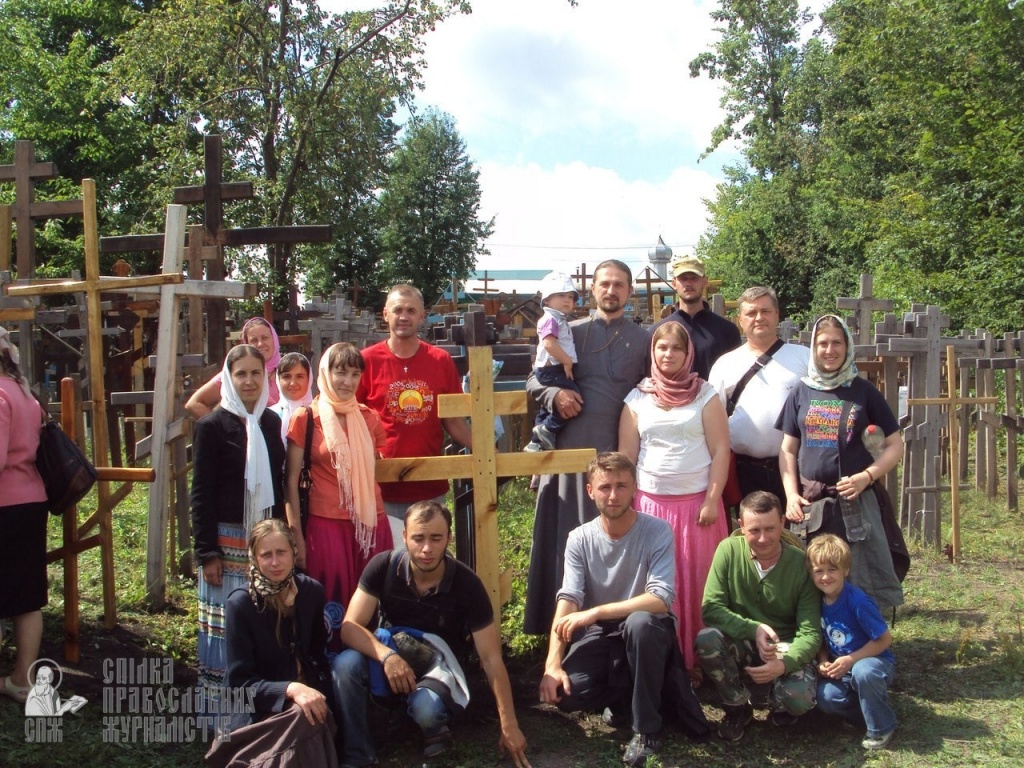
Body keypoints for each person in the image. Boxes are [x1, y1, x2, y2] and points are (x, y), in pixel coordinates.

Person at [539, 453, 710, 767]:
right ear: (590, 490)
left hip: (650, 632)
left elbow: (660, 598)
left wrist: (596, 611)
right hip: (604, 634)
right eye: (605, 487)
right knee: (568, 695)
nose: (613, 495)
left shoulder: (657, 531)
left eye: (621, 486)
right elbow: (569, 598)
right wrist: (553, 663)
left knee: (640, 623)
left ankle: (646, 730)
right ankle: (625, 700)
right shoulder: (579, 539)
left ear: (635, 488)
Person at [331, 501, 530, 767]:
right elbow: (349, 627)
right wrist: (387, 656)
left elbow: (491, 659)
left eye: (436, 538)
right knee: (345, 665)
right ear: (404, 537)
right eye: (418, 538)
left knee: (426, 709)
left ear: (449, 537)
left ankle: (432, 727)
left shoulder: (468, 585)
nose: (427, 549)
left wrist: (510, 726)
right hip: (391, 658)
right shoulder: (383, 566)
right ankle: (358, 755)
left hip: (440, 668)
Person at [524, 259, 650, 635]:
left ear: (629, 292)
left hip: (617, 457)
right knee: (564, 539)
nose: (611, 291)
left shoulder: (644, 340)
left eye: (619, 285)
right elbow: (534, 381)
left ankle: (609, 628)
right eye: (604, 284)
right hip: (569, 454)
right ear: (592, 289)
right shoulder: (567, 331)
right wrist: (555, 393)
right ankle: (558, 630)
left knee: (613, 544)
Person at [618, 321, 730, 676]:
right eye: (661, 347)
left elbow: (721, 450)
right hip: (650, 506)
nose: (668, 354)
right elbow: (626, 457)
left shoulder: (706, 395)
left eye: (676, 348)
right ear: (653, 352)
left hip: (698, 507)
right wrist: (629, 505)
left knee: (697, 582)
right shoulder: (636, 399)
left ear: (688, 354)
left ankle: (701, 661)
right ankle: (663, 662)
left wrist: (713, 499)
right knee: (659, 585)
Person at [777, 314, 905, 611]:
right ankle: (816, 644)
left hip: (855, 502)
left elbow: (895, 444)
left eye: (837, 342)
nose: (830, 350)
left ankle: (863, 642)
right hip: (812, 505)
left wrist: (867, 476)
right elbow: (787, 450)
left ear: (847, 346)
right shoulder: (801, 391)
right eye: (823, 343)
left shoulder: (863, 391)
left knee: (858, 576)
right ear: (813, 347)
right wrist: (791, 494)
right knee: (812, 575)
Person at [191, 344, 286, 707]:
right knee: (225, 628)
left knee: (263, 623)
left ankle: (261, 708)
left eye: (256, 373)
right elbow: (201, 493)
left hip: (264, 541)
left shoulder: (271, 421)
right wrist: (207, 552)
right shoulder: (212, 426)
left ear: (266, 377)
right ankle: (222, 714)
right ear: (228, 379)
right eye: (241, 374)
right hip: (225, 542)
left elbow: (277, 483)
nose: (249, 381)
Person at [284, 343, 392, 655]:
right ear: (325, 373)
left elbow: (376, 462)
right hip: (325, 523)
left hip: (371, 523)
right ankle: (331, 672)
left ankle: (374, 670)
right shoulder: (306, 419)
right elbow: (290, 482)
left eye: (355, 374)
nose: (347, 381)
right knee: (332, 601)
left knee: (373, 599)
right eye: (340, 372)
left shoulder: (368, 418)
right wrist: (296, 536)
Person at [207, 518, 336, 767]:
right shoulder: (241, 604)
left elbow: (316, 655)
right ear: (254, 558)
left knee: (311, 714)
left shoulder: (311, 592)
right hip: (255, 709)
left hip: (308, 696)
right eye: (266, 555)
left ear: (293, 552)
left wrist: (317, 691)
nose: (275, 562)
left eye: (281, 553)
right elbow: (239, 683)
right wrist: (290, 689)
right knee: (303, 716)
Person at [697, 491, 821, 741]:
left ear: (783, 523)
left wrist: (783, 664)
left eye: (770, 529)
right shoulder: (728, 551)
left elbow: (811, 633)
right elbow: (710, 608)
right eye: (754, 530)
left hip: (785, 645)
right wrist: (754, 629)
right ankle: (737, 707)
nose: (763, 538)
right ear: (741, 526)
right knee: (707, 638)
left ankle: (778, 699)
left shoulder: (801, 564)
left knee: (798, 700)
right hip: (743, 640)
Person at [357, 284, 472, 544]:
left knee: (428, 558)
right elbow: (354, 421)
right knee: (390, 562)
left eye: (411, 310)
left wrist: (487, 451)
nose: (404, 316)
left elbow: (452, 419)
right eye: (397, 310)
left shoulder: (440, 361)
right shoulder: (367, 362)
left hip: (429, 485)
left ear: (422, 316)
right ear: (385, 314)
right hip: (382, 487)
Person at [707, 286, 809, 503]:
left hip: (797, 468)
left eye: (765, 311)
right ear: (740, 320)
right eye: (751, 313)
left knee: (795, 535)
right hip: (745, 471)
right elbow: (712, 422)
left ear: (777, 315)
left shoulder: (804, 358)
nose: (759, 318)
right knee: (753, 533)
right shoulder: (725, 364)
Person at [806, 534, 897, 750]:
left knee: (864, 672)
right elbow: (820, 637)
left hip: (874, 662)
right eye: (819, 571)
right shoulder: (817, 600)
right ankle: (871, 712)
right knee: (825, 697)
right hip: (843, 667)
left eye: (832, 569)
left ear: (846, 570)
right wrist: (823, 660)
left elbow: (884, 639)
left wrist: (851, 659)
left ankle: (882, 728)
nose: (825, 577)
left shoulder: (858, 601)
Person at [0, 326, 47, 706]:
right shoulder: (24, 392)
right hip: (31, 498)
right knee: (27, 594)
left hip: (4, 504)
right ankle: (22, 679)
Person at [524, 271, 580, 452]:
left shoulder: (558, 319)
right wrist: (567, 361)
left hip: (554, 368)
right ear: (546, 300)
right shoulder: (550, 319)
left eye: (570, 297)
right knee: (574, 397)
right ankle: (548, 428)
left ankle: (536, 442)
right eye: (561, 295)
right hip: (553, 368)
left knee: (549, 408)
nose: (567, 300)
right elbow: (549, 343)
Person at [657, 256, 740, 379]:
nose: (689, 284)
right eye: (683, 279)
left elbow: (736, 374)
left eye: (694, 278)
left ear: (705, 282)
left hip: (715, 397)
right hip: (671, 398)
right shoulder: (658, 331)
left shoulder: (727, 331)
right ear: (674, 284)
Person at [186, 317, 282, 418]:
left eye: (265, 337)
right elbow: (194, 403)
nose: (260, 344)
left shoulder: (287, 369)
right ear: (246, 344)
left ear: (274, 339)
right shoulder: (235, 374)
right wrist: (221, 428)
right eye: (254, 340)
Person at [270, 352, 313, 446]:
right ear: (278, 379)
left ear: (309, 379)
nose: (293, 383)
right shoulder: (267, 417)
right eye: (286, 377)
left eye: (299, 376)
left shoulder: (319, 415)